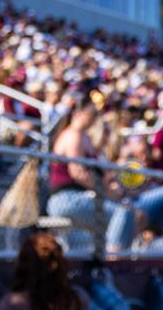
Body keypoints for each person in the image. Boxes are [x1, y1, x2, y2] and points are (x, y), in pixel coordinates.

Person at [47, 97, 135, 252]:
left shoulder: (84, 137)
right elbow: (78, 173)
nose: (95, 117)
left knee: (128, 215)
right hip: (67, 199)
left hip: (79, 198)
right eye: (92, 113)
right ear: (79, 113)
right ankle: (112, 260)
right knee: (123, 212)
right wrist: (107, 192)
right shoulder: (73, 135)